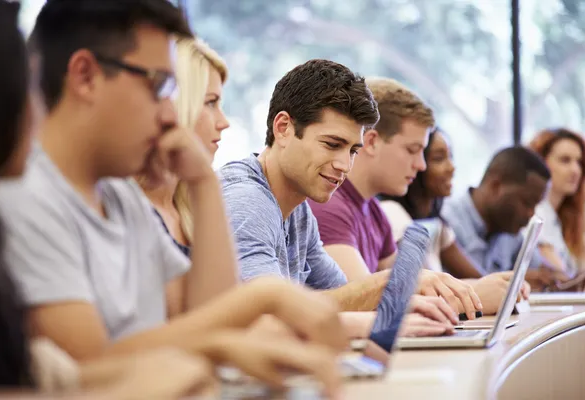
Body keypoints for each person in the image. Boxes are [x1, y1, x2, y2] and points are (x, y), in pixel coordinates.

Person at [0, 0, 346, 395]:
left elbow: (208, 312)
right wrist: (263, 298)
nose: (169, 114)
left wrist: (203, 184)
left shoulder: (117, 193)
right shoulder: (25, 196)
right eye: (159, 86)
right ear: (85, 76)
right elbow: (92, 369)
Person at [219, 61, 479, 319]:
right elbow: (271, 312)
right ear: (283, 128)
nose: (344, 165)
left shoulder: (298, 209)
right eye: (332, 144)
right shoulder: (248, 200)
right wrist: (385, 284)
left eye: (353, 150)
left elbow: (344, 297)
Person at [309, 79, 522, 316]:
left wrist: (483, 288)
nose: (421, 165)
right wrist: (476, 298)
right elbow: (365, 304)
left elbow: (408, 289)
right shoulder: (328, 207)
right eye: (412, 150)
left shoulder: (374, 210)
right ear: (371, 142)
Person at [140, 36, 229, 258]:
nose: (223, 122)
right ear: (175, 106)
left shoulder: (190, 207)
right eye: (210, 103)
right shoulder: (127, 207)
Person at [442, 146, 570, 291]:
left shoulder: (509, 231)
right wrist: (513, 282)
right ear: (495, 186)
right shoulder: (447, 222)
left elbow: (544, 271)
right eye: (527, 202)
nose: (531, 213)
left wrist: (552, 279)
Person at [379, 127, 486, 277]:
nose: (452, 167)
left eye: (450, 157)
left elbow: (477, 277)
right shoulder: (392, 213)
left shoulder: (436, 223)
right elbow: (425, 286)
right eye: (439, 158)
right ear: (416, 164)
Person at [529, 128, 585, 276]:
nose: (575, 170)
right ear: (541, 163)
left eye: (579, 162)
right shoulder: (535, 213)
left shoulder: (561, 218)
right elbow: (562, 278)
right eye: (565, 160)